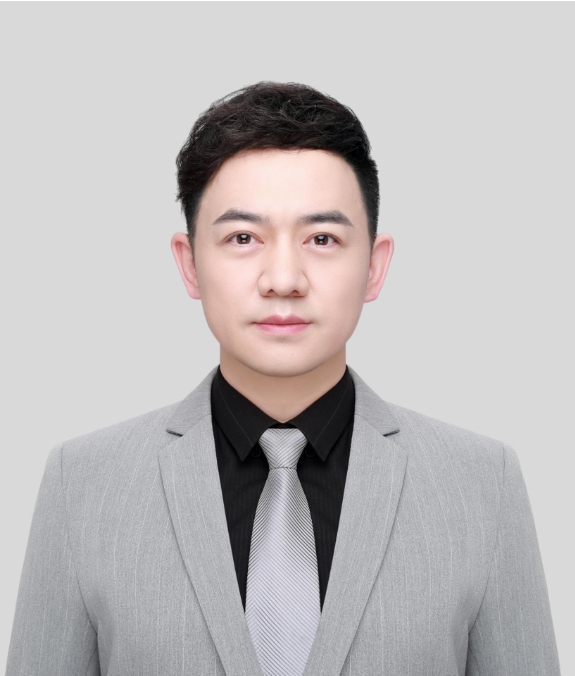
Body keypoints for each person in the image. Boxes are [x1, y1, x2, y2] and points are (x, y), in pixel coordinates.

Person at [6, 82, 560, 676]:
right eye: (243, 238)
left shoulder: (483, 484)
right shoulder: (82, 484)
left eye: (322, 239)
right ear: (189, 263)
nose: (284, 279)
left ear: (374, 266)